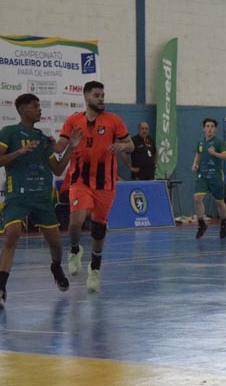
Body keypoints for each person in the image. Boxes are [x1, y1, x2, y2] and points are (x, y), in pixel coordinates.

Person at [0, 93, 81, 306]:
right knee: (12, 236)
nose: (40, 109)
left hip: (42, 196)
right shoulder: (9, 132)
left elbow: (57, 169)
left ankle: (55, 267)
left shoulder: (44, 138)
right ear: (23, 110)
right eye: (35, 106)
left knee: (55, 244)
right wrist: (20, 151)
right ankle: (1, 287)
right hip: (18, 195)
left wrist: (71, 147)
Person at [55, 81, 134, 292]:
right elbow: (59, 146)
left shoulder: (113, 120)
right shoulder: (73, 121)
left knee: (98, 230)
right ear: (86, 97)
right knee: (75, 221)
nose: (101, 99)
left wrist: (122, 145)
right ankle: (74, 250)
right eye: (97, 95)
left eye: (102, 95)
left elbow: (131, 144)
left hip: (105, 185)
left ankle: (95, 268)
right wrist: (43, 142)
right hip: (80, 180)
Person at [191, 118, 226, 239]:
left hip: (216, 176)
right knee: (197, 198)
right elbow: (198, 153)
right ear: (204, 128)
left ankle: (223, 222)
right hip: (203, 175)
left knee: (220, 203)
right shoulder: (201, 142)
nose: (209, 128)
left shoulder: (219, 142)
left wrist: (215, 153)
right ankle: (201, 224)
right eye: (207, 126)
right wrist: (195, 164)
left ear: (215, 129)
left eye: (212, 126)